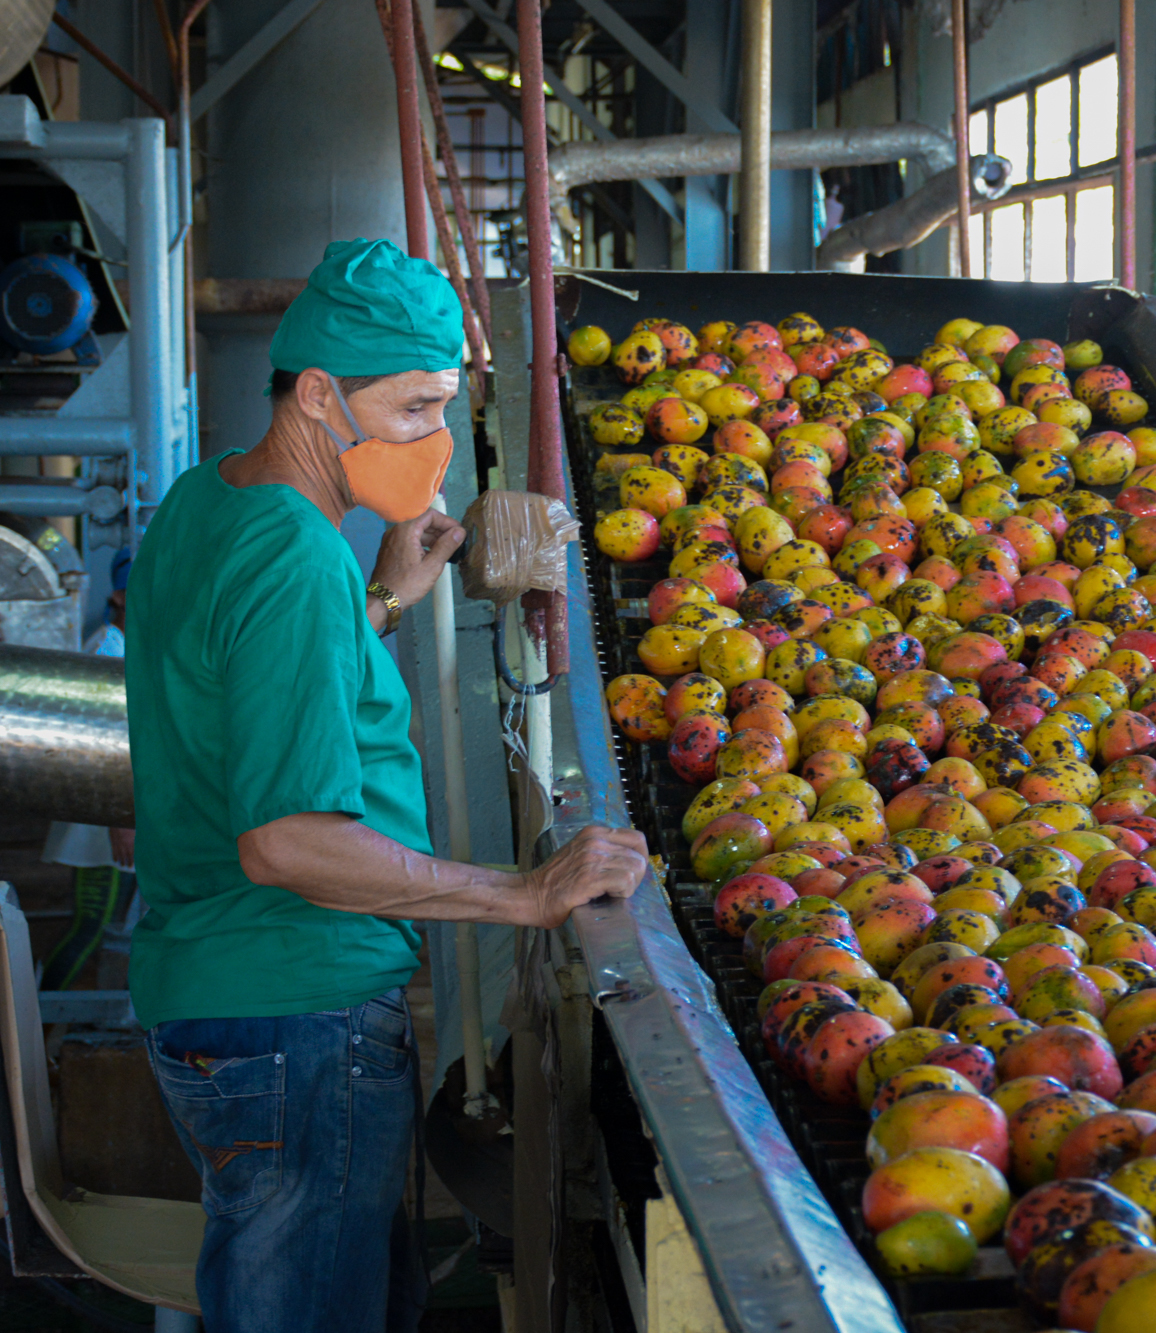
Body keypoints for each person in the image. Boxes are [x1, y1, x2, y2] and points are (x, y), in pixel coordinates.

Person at [123, 238, 647, 1333]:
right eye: (412, 409)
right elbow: (286, 843)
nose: (436, 440)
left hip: (213, 1000)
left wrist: (387, 603)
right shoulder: (294, 559)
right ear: (320, 395)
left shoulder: (204, 503)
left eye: (444, 406)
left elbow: (251, 697)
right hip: (294, 1021)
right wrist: (523, 892)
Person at [40, 547, 137, 990]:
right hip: (105, 815)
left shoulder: (131, 645)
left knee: (108, 927)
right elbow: (101, 742)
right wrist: (118, 818)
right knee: (90, 925)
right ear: (118, 595)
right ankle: (34, 1040)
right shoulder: (106, 647)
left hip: (120, 812)